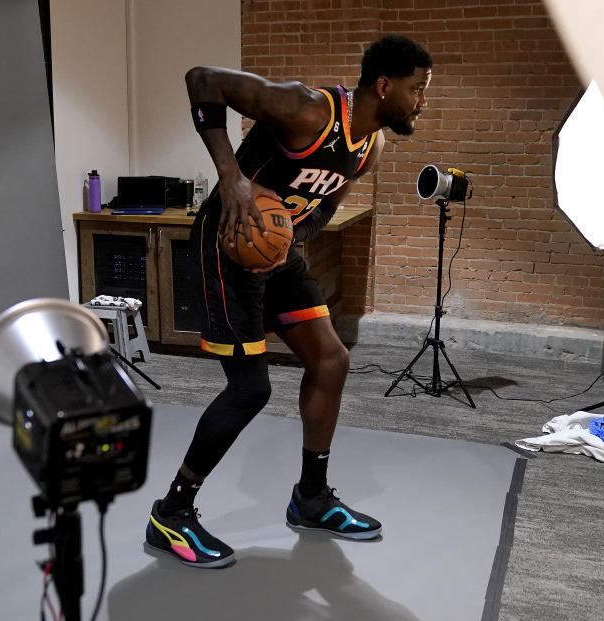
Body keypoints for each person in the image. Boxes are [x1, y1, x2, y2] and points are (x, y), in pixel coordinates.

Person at [145, 35, 433, 568]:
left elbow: (322, 210)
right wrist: (230, 178)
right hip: (226, 245)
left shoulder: (370, 147)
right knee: (250, 388)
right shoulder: (308, 109)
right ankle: (172, 513)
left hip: (278, 250)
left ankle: (311, 498)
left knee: (331, 360)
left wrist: (291, 243)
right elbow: (201, 80)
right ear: (385, 85)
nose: (422, 101)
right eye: (417, 90)